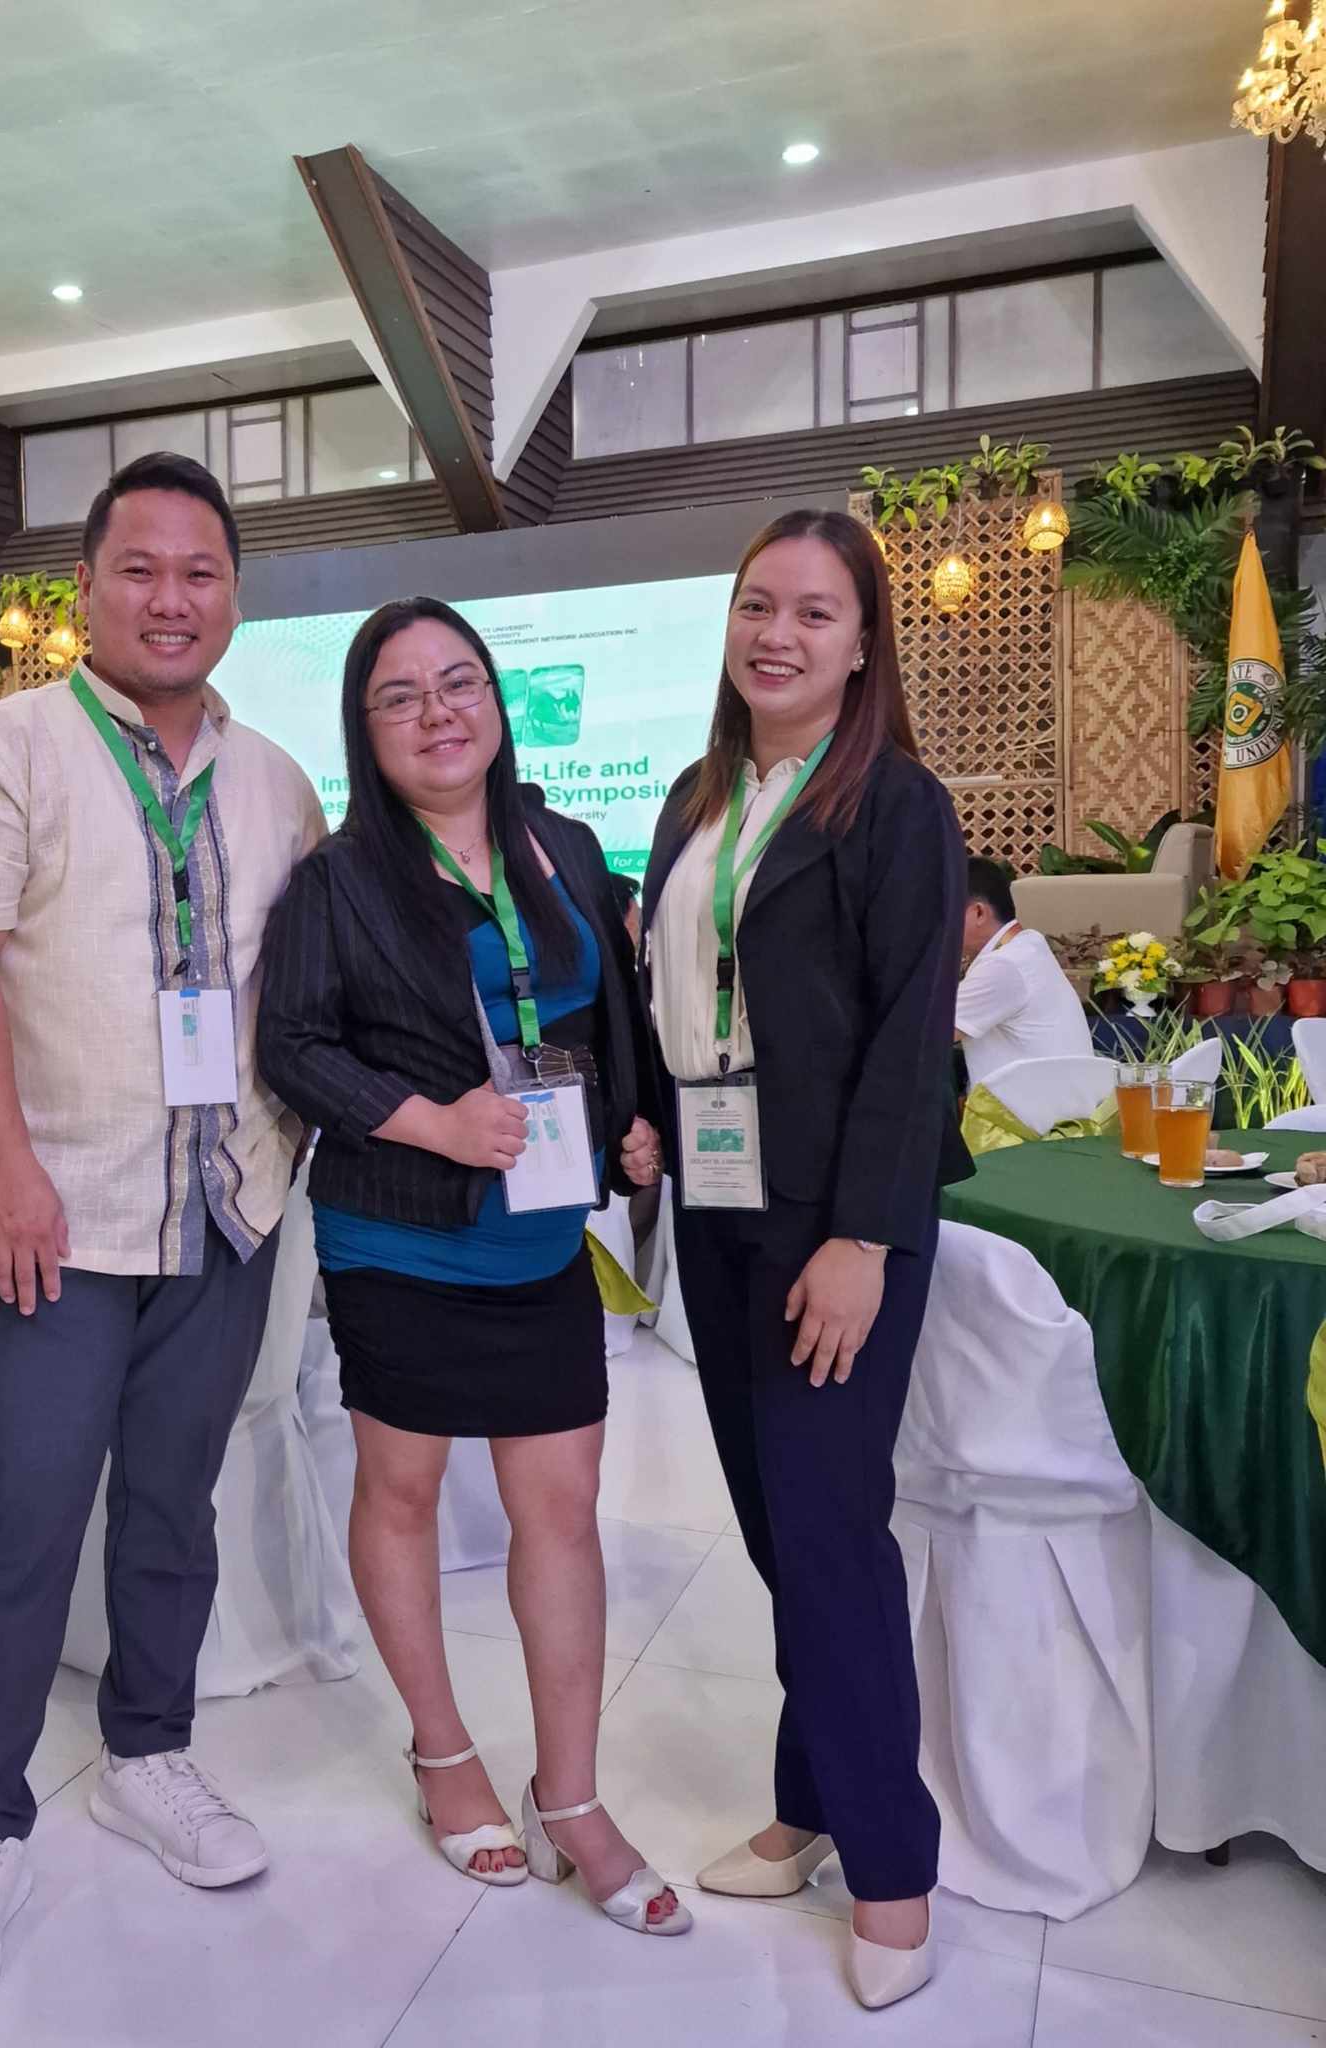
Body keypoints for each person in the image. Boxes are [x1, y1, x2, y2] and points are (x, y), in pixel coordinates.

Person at [0, 452, 323, 2008]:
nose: (170, 597)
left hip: (227, 1208)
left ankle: (148, 1751)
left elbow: (306, 985)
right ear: (83, 589)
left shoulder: (278, 781)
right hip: (58, 1214)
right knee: (22, 1514)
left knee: (172, 1506)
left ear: (234, 595)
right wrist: (3, 1168)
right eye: (138, 568)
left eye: (200, 572)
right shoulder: (5, 750)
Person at [257, 596, 689, 1937]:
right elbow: (294, 1046)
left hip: (542, 1234)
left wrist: (629, 1117)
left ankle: (572, 1793)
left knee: (561, 1505)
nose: (436, 712)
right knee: (400, 1488)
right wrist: (430, 1121)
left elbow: (597, 1014)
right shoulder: (337, 881)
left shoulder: (563, 845)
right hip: (401, 1232)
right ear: (364, 729)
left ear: (498, 702)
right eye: (400, 695)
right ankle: (442, 1753)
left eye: (459, 683)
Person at [632, 507, 969, 2010]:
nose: (776, 634)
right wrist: (644, 1122)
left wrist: (862, 1235)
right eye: (756, 605)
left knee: (830, 1534)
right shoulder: (693, 798)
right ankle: (811, 1795)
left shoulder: (895, 803)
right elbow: (680, 992)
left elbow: (909, 1038)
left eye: (813, 613)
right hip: (716, 1203)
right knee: (779, 1529)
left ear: (860, 642)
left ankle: (891, 1864)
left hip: (830, 1220)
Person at [955, 855, 1089, 1089]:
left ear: (979, 913)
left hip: (1031, 1110)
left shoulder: (1003, 965)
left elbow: (926, 1033)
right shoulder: (1027, 944)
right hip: (1056, 1099)